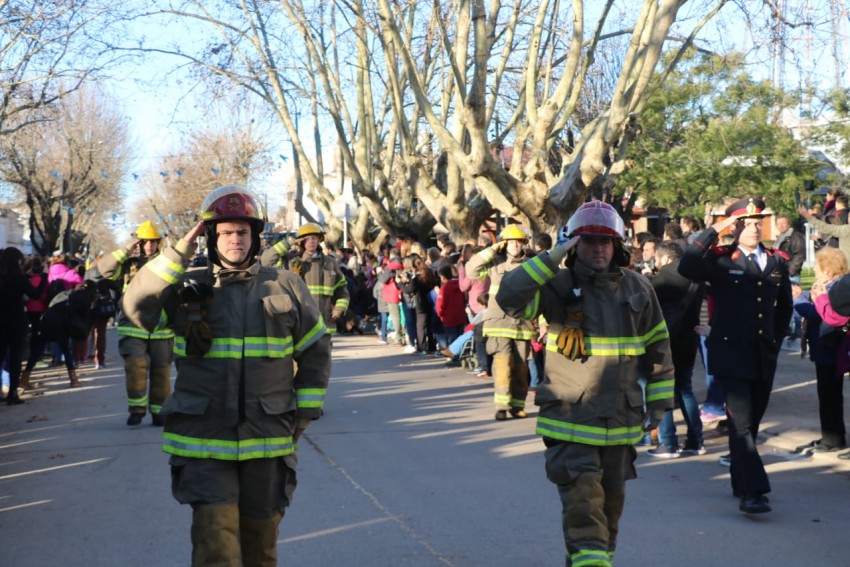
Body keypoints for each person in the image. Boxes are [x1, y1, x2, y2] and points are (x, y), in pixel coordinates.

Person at [122, 185, 331, 566]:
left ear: (255, 236)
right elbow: (136, 306)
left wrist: (304, 411)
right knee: (215, 547)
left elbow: (316, 349)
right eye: (226, 232)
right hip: (203, 439)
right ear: (210, 236)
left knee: (261, 547)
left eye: (242, 232)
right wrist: (180, 252)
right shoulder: (186, 285)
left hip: (267, 439)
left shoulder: (285, 285)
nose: (235, 239)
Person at [496, 201, 674, 566]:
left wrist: (657, 406)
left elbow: (659, 348)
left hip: (621, 423)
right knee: (584, 511)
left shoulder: (639, 288)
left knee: (606, 519)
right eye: (589, 241)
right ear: (575, 245)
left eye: (605, 242)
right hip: (571, 421)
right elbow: (509, 297)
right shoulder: (556, 286)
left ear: (618, 246)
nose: (598, 248)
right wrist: (554, 252)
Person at [679, 197, 792, 514]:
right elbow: (687, 264)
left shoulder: (776, 262)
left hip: (762, 354)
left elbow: (783, 308)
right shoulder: (720, 260)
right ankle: (753, 492)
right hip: (730, 353)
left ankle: (739, 479)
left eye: (758, 222)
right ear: (734, 227)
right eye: (747, 223)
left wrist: (776, 338)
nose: (755, 228)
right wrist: (715, 229)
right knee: (740, 424)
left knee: (751, 424)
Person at [93, 220, 175, 427]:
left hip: (161, 328)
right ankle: (137, 410)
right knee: (136, 369)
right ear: (139, 242)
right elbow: (103, 270)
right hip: (134, 326)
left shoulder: (167, 262)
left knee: (161, 372)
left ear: (159, 242)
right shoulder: (129, 265)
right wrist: (126, 249)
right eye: (145, 241)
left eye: (153, 241)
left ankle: (159, 412)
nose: (149, 245)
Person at [466, 224, 536, 420]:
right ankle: (502, 405)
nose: (515, 245)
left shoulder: (531, 264)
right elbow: (471, 270)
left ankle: (517, 406)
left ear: (524, 244)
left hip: (523, 325)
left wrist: (544, 324)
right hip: (498, 323)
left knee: (521, 368)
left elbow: (542, 294)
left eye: (519, 242)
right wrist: (491, 250)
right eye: (511, 241)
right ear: (504, 243)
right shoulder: (494, 263)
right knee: (502, 365)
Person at [647, 241, 706, 458]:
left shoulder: (665, 275)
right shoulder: (696, 275)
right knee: (685, 389)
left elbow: (647, 302)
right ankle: (695, 441)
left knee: (663, 390)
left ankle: (668, 442)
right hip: (688, 337)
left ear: (665, 258)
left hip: (665, 339)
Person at [794, 248, 849, 454]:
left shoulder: (833, 287)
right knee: (829, 395)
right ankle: (831, 435)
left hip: (830, 348)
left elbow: (821, 314)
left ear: (827, 269)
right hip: (827, 348)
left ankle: (833, 438)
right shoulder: (834, 284)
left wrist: (798, 300)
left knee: (829, 395)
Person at [262, 222, 350, 337]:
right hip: (298, 323)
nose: (311, 241)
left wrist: (339, 309)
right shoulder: (291, 261)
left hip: (323, 323)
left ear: (319, 239)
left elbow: (342, 291)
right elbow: (267, 260)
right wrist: (289, 242)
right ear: (301, 241)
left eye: (314, 238)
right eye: (307, 238)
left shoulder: (330, 263)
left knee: (321, 355)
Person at [0, 248, 47, 404]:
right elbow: (35, 295)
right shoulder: (19, 278)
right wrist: (44, 279)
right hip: (16, 321)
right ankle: (13, 393)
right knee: (15, 358)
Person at [773, 213, 806, 280]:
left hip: (791, 275)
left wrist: (790, 272)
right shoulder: (780, 238)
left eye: (783, 223)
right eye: (778, 224)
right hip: (781, 273)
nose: (781, 226)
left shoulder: (796, 237)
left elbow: (800, 256)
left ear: (789, 224)